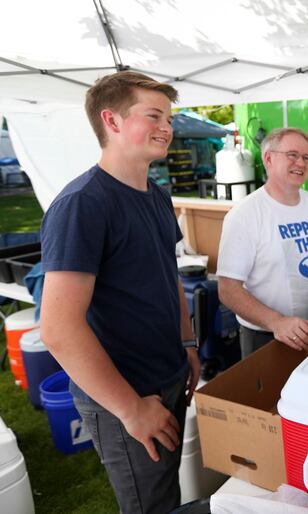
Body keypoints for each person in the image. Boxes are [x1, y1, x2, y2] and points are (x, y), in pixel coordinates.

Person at [39, 71, 200, 513]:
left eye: (168, 117)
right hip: (124, 392)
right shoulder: (83, 204)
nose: (166, 127)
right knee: (151, 504)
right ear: (111, 121)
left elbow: (169, 276)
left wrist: (186, 343)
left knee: (168, 492)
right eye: (153, 115)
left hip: (168, 374)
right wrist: (131, 409)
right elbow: (57, 328)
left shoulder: (156, 195)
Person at [217, 127, 308, 356]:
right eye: (292, 155)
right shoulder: (244, 214)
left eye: (306, 157)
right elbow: (228, 290)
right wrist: (276, 322)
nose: (301, 163)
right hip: (266, 336)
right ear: (268, 158)